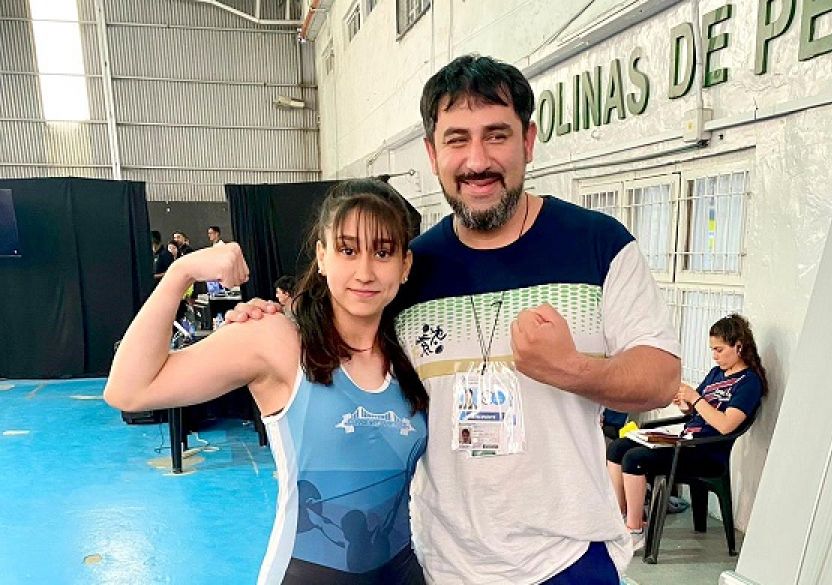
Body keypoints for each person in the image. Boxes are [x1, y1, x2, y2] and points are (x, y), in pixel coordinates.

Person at [226, 54, 680, 583]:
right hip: (443, 564)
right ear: (431, 152)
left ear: (528, 141)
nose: (477, 160)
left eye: (496, 135)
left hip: (568, 559)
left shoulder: (598, 246)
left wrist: (569, 368)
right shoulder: (408, 271)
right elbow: (339, 344)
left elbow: (660, 378)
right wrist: (266, 318)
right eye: (457, 139)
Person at [105, 179, 429, 585]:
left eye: (382, 252)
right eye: (348, 250)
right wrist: (180, 273)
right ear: (322, 256)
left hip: (402, 574)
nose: (365, 272)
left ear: (404, 265)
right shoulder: (277, 340)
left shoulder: (415, 350)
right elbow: (128, 389)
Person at [606, 314, 766, 551]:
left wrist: (696, 398)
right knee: (618, 447)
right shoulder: (716, 373)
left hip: (706, 451)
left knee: (634, 459)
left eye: (720, 350)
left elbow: (725, 425)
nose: (715, 356)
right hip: (686, 439)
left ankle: (635, 530)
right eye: (712, 350)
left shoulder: (749, 383)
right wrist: (685, 403)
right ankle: (619, 518)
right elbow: (695, 408)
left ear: (739, 346)